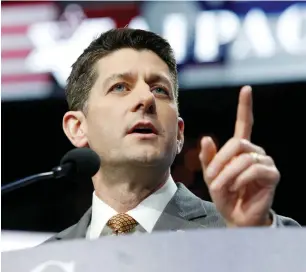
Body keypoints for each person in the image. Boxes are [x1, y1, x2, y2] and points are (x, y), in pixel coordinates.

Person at [46, 28, 300, 242]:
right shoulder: (43, 261)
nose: (146, 98)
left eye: (160, 89)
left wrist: (256, 240)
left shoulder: (242, 231)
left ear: (179, 135)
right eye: (120, 87)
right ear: (78, 128)